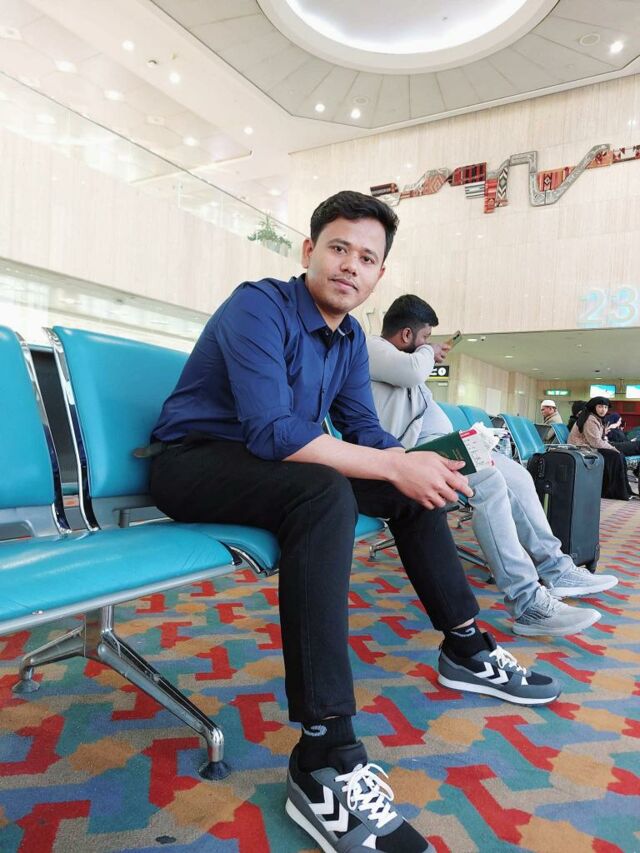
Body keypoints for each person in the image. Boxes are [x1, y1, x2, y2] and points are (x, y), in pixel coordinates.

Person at [149, 191, 561, 853]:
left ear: (378, 274)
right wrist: (392, 464)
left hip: (272, 466)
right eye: (338, 248)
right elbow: (271, 429)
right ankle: (324, 751)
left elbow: (365, 429)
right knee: (326, 494)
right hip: (192, 462)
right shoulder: (258, 305)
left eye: (367, 258)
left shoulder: (346, 342)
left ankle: (465, 644)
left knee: (405, 488)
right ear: (309, 250)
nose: (350, 265)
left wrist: (414, 467)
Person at [367, 294, 618, 638]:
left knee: (517, 475)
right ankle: (527, 602)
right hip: (412, 456)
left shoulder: (402, 363)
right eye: (424, 337)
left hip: (443, 446)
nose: (429, 346)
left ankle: (556, 568)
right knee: (488, 480)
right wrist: (428, 351)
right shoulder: (373, 348)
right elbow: (411, 373)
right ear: (407, 335)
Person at [569, 397, 635, 500]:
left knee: (619, 455)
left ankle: (623, 491)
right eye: (600, 407)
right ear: (594, 407)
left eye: (605, 407)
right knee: (616, 456)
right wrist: (612, 448)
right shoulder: (590, 420)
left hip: (590, 447)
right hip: (584, 449)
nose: (603, 410)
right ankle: (614, 492)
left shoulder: (595, 418)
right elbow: (595, 442)